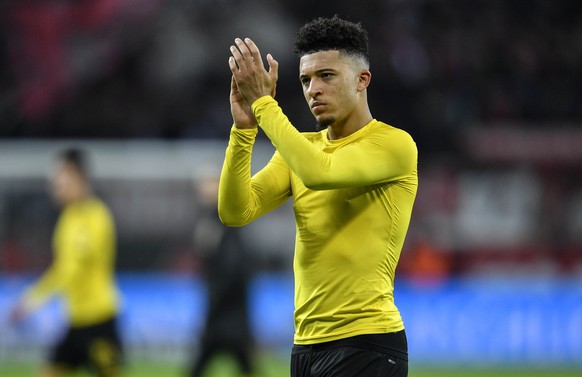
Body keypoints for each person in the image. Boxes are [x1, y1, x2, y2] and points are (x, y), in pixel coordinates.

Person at [220, 15, 418, 377]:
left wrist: (264, 106)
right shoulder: (302, 150)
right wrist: (243, 131)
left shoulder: (394, 145)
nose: (313, 89)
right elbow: (236, 211)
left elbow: (319, 173)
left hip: (367, 341)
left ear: (362, 80)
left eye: (326, 76)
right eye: (305, 80)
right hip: (306, 347)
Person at [10, 148, 123, 377]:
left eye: (61, 181)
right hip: (76, 320)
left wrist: (33, 298)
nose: (56, 188)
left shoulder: (96, 216)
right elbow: (64, 267)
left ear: (79, 179)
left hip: (99, 321)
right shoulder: (68, 218)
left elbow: (71, 269)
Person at [189, 176, 256, 377]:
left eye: (210, 184)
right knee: (243, 365)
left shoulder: (228, 218)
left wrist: (215, 297)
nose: (204, 190)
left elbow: (234, 267)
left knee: (202, 364)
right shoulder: (209, 219)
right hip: (225, 311)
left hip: (226, 312)